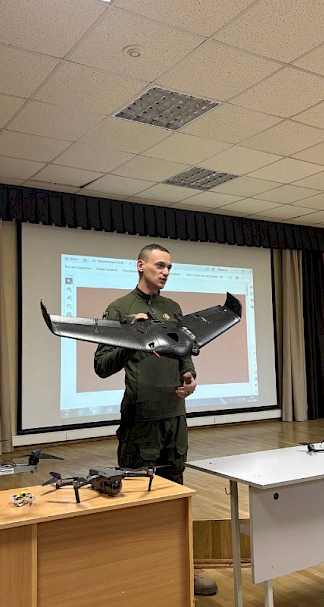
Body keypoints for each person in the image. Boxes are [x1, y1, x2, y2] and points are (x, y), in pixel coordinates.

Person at [94, 243, 218, 597]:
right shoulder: (119, 309)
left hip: (174, 417)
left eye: (169, 268)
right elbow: (101, 366)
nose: (165, 272)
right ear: (140, 265)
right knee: (138, 497)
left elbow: (183, 350)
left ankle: (183, 570)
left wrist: (189, 373)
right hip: (141, 420)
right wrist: (131, 338)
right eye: (160, 265)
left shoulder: (172, 308)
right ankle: (139, 574)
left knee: (176, 497)